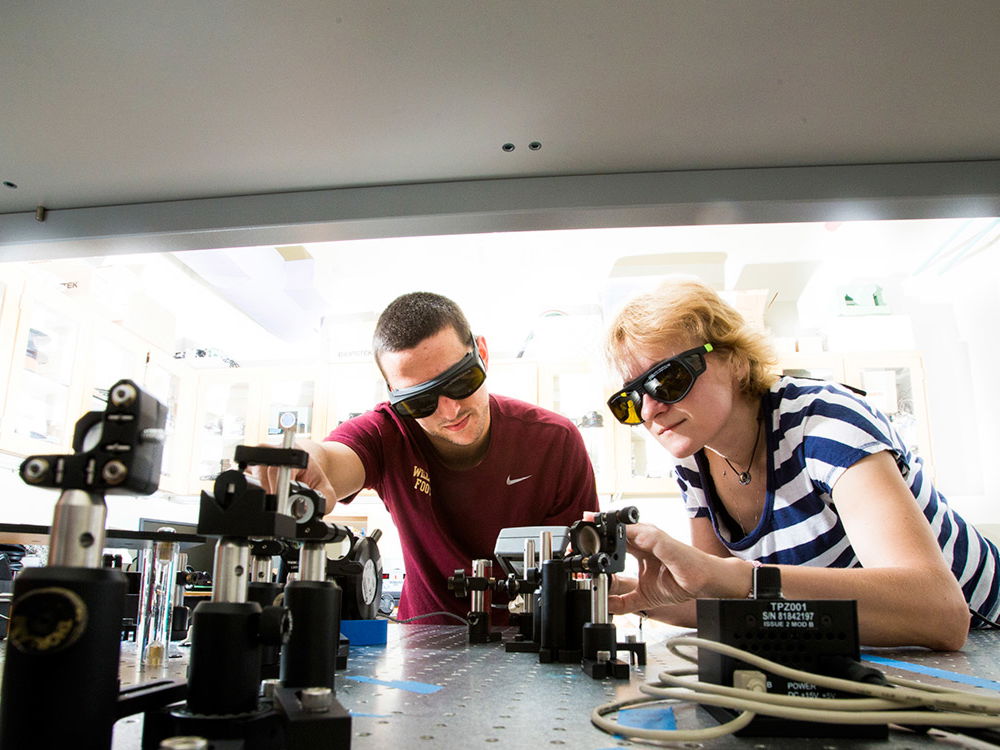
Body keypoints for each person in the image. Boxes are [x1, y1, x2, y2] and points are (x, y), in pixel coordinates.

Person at [601, 276, 999, 650]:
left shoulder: (825, 423)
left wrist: (741, 578)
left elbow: (940, 611)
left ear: (735, 360)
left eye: (667, 379)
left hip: (985, 636)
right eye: (631, 400)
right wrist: (625, 593)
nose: (651, 409)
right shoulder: (696, 460)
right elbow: (721, 600)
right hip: (889, 651)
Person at [261, 292, 599, 624]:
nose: (451, 410)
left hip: (533, 645)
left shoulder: (554, 440)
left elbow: (583, 564)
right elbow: (333, 461)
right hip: (423, 648)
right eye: (420, 401)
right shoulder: (388, 433)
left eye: (461, 381)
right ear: (393, 396)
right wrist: (303, 460)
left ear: (481, 353)